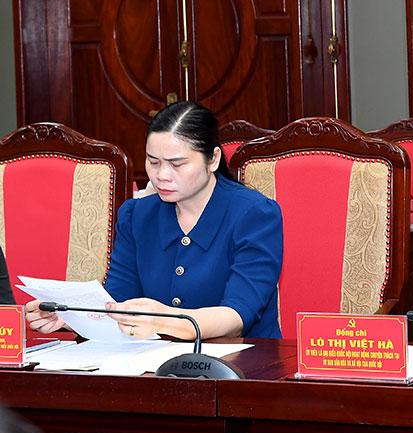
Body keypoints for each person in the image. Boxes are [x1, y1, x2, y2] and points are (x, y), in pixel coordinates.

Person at [24, 101, 284, 339]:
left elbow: (237, 316)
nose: (162, 175)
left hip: (245, 363)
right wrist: (70, 317)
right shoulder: (137, 216)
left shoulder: (255, 215)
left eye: (177, 164)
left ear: (213, 159)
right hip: (155, 363)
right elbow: (118, 302)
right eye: (153, 162)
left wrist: (164, 321)